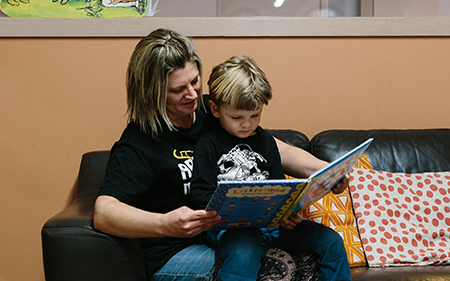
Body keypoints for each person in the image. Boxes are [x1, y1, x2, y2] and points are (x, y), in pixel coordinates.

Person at [93, 28, 351, 281]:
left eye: (195, 81)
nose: (192, 94)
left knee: (313, 250)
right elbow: (104, 212)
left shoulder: (212, 110)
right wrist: (165, 223)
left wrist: (326, 171)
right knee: (271, 265)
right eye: (178, 89)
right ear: (152, 91)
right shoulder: (139, 142)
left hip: (241, 232)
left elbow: (276, 149)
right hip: (177, 251)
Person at [189, 55, 287, 280]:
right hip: (227, 227)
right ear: (215, 109)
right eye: (237, 117)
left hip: (269, 225)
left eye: (255, 115)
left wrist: (286, 212)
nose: (247, 124)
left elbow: (279, 184)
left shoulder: (266, 142)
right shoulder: (209, 143)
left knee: (328, 240)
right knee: (244, 247)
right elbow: (201, 194)